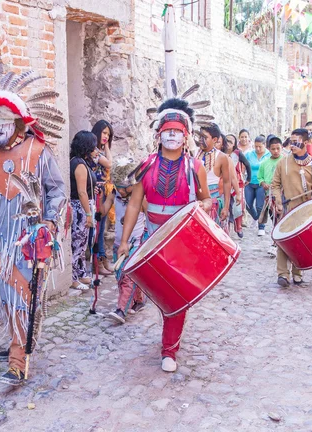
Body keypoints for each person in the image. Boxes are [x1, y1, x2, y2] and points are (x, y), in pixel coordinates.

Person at [0, 70, 67, 385]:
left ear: (18, 122)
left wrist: (49, 222)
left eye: (3, 124)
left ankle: (19, 358)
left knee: (24, 294)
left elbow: (57, 192)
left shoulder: (38, 152)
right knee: (8, 296)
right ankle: (18, 341)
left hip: (30, 239)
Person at [117, 96, 212, 373]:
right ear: (158, 134)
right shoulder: (145, 165)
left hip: (181, 243)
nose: (172, 135)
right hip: (151, 239)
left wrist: (205, 205)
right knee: (158, 293)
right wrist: (124, 241)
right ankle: (164, 324)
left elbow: (206, 200)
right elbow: (135, 203)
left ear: (187, 136)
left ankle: (169, 349)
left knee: (176, 297)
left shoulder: (195, 168)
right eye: (167, 130)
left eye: (178, 131)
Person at [271, 128, 312, 286]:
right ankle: (282, 274)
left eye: (296, 142)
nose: (292, 145)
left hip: (306, 211)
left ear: (305, 143)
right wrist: (278, 201)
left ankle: (297, 272)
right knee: (283, 241)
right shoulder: (283, 162)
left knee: (301, 242)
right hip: (287, 208)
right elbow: (275, 185)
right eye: (291, 141)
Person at [104, 160, 147, 324]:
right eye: (118, 186)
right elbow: (103, 211)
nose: (120, 190)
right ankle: (139, 300)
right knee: (120, 276)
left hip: (134, 243)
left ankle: (121, 310)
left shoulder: (141, 199)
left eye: (123, 187)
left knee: (127, 276)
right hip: (118, 243)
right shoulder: (114, 193)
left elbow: (149, 217)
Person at [69, 131, 99, 291]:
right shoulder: (79, 164)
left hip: (83, 206)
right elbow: (82, 192)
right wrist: (88, 213)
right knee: (77, 243)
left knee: (83, 243)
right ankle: (73, 277)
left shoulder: (80, 161)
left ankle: (81, 272)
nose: (96, 149)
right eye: (93, 145)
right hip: (80, 208)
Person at [91, 120, 114, 276]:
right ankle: (97, 261)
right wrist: (105, 148)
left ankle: (102, 259)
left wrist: (105, 146)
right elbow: (109, 163)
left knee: (102, 228)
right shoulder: (93, 150)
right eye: (104, 133)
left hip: (103, 191)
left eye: (108, 134)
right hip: (96, 192)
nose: (106, 136)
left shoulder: (99, 149)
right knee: (97, 229)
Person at [197, 124, 231, 226]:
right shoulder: (193, 153)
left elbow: (226, 182)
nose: (200, 140)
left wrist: (226, 207)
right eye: (200, 137)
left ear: (214, 139)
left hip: (213, 203)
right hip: (195, 202)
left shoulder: (221, 157)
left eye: (205, 138)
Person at [225, 133, 251, 237]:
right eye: (226, 141)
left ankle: (238, 226)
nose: (228, 144)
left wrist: (248, 178)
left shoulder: (237, 153)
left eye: (231, 141)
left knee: (238, 205)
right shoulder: (221, 153)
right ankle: (227, 228)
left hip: (238, 182)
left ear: (235, 143)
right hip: (224, 183)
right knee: (226, 205)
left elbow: (247, 164)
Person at [245, 136, 271, 235]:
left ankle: (261, 226)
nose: (258, 149)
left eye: (260, 146)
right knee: (248, 204)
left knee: (260, 205)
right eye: (256, 146)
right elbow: (244, 165)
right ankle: (256, 217)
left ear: (264, 145)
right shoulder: (249, 154)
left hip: (262, 183)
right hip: (250, 182)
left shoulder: (269, 155)